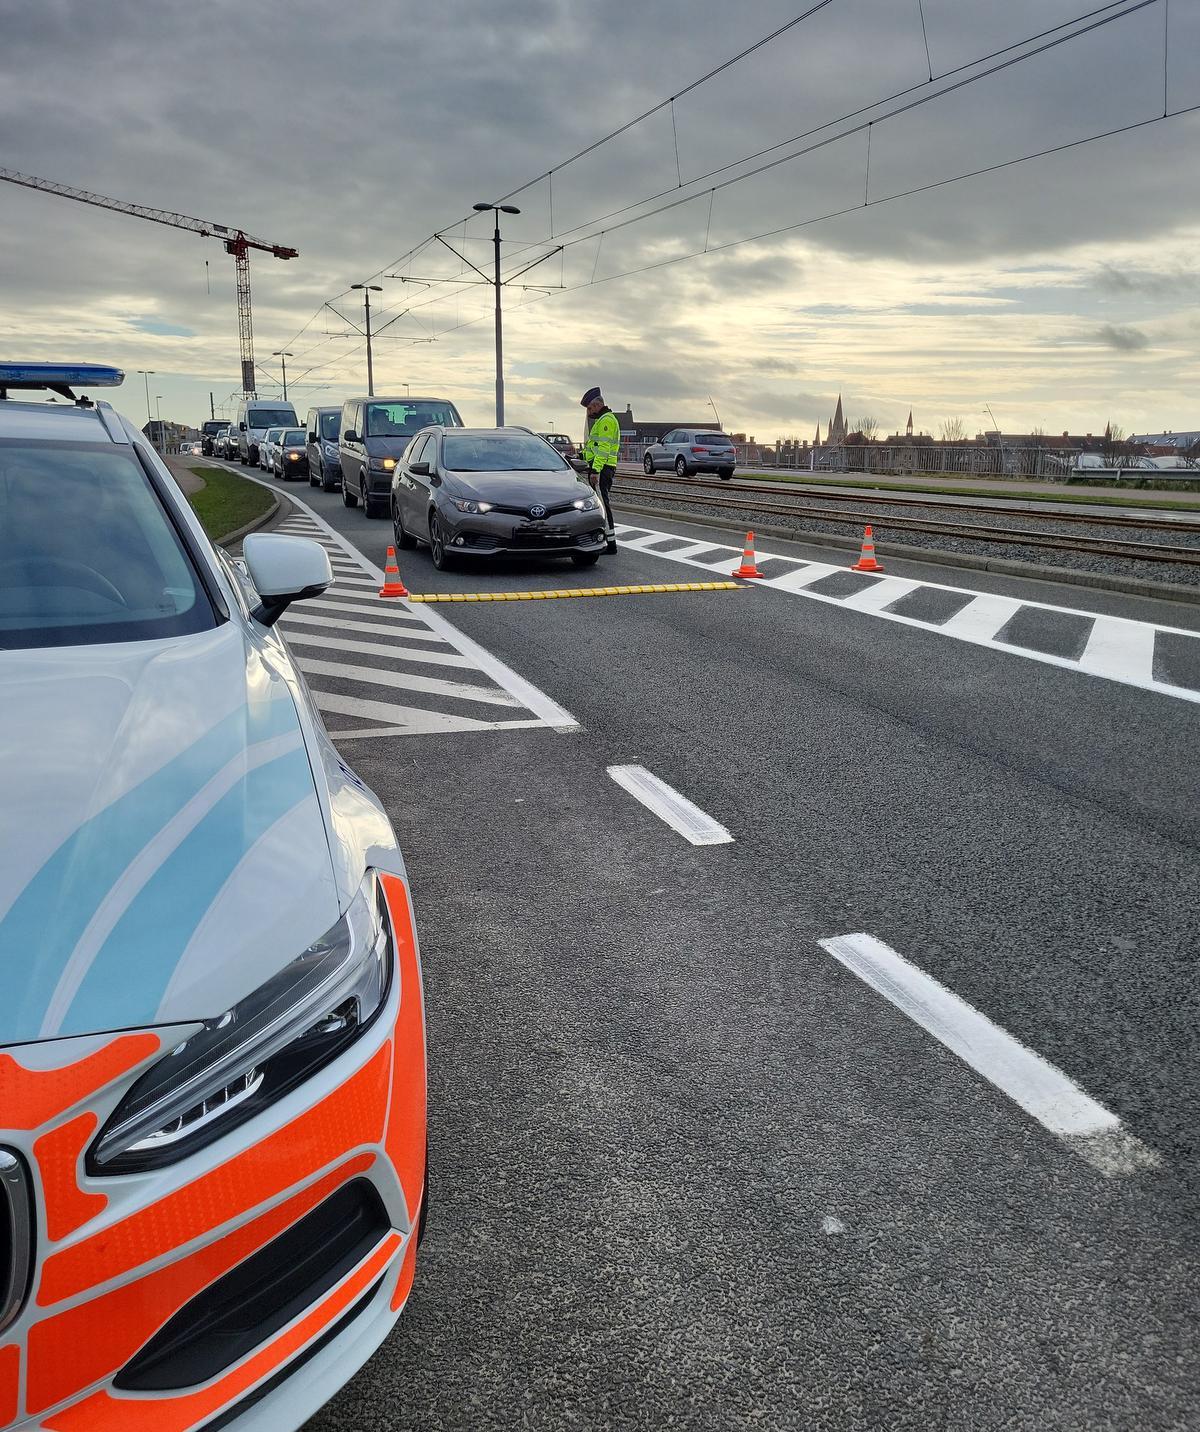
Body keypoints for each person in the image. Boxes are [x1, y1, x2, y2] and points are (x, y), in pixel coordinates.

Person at [579, 386, 619, 554]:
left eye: (589, 408)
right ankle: (608, 540)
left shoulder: (606, 421)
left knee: (603, 504)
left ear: (596, 405)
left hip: (602, 468)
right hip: (600, 467)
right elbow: (594, 448)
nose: (588, 413)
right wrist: (581, 457)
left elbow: (602, 449)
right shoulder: (602, 420)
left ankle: (610, 544)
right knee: (602, 503)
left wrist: (595, 470)